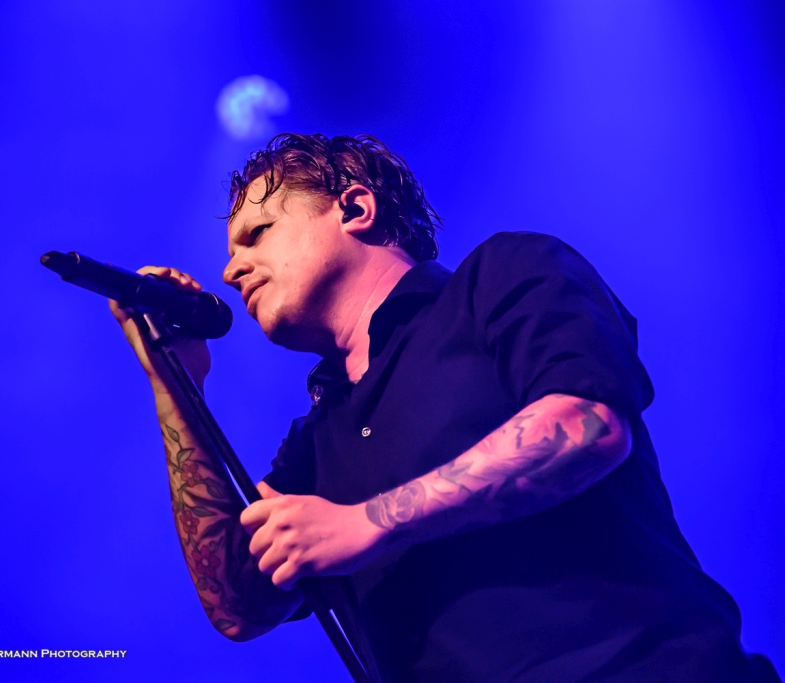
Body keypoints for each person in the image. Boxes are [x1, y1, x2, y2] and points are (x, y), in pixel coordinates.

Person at [109, 133, 780, 682]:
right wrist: (174, 380)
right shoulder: (319, 438)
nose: (231, 271)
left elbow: (587, 426)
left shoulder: (503, 275)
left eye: (256, 234)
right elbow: (236, 604)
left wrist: (367, 522)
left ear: (355, 208)